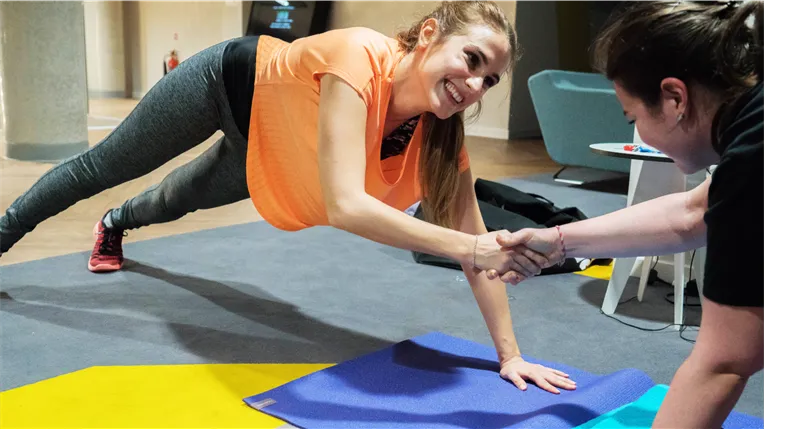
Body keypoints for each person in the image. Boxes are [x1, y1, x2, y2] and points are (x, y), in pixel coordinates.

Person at [0, 0, 577, 394]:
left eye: (490, 79)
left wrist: (510, 356)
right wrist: (474, 248)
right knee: (103, 165)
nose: (475, 86)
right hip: (228, 85)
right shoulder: (359, 56)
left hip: (277, 144)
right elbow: (349, 206)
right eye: (471, 60)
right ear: (429, 35)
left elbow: (478, 245)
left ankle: (117, 222)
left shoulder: (440, 138)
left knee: (181, 198)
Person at [490, 0, 768, 428]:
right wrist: (560, 241)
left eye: (632, 116)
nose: (637, 130)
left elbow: (724, 363)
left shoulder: (756, 156)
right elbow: (695, 211)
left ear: (675, 98)